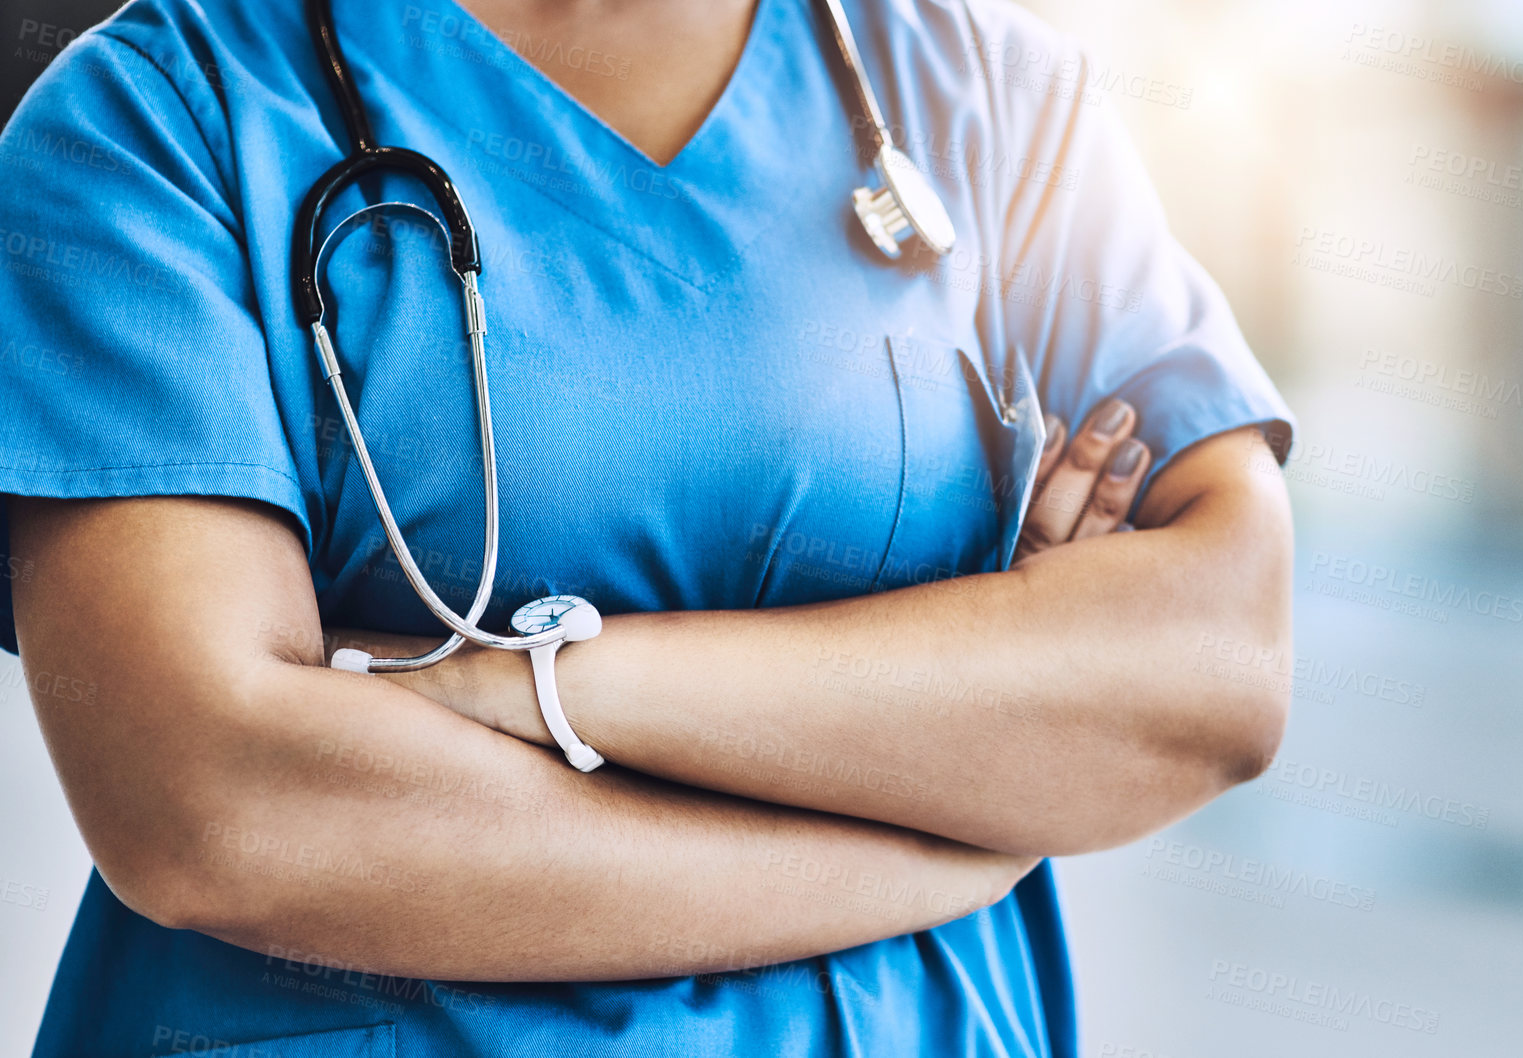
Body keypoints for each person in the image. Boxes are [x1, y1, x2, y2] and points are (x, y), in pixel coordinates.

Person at [0, 0, 1296, 1053]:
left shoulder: (991, 103)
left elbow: (1213, 668)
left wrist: (533, 680)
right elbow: (216, 809)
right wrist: (944, 836)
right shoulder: (156, 123)